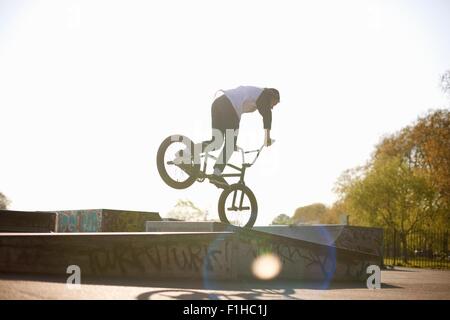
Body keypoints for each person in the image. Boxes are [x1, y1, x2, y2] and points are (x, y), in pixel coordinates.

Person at [177, 85, 280, 188]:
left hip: (219, 104)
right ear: (271, 96)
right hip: (229, 107)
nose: (272, 107)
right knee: (229, 145)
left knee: (216, 142)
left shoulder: (255, 95)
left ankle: (184, 153)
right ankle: (216, 174)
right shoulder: (263, 95)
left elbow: (237, 114)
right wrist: (267, 138)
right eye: (274, 104)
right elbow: (267, 115)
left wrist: (232, 142)